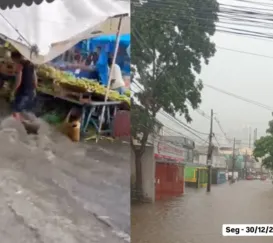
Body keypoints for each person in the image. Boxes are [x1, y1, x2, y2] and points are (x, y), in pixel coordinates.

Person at [10, 51, 38, 120]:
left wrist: (13, 91)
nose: (13, 61)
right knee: (24, 111)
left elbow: (18, 81)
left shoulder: (19, 66)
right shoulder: (31, 64)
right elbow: (35, 78)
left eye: (13, 59)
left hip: (23, 92)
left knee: (16, 111)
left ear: (15, 58)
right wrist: (34, 89)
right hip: (30, 91)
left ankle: (17, 125)